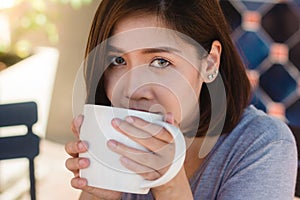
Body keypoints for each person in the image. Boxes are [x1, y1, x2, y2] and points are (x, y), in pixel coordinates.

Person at [65, 0, 298, 199]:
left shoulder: (263, 144)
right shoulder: (113, 145)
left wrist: (169, 185)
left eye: (161, 61)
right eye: (117, 60)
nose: (133, 89)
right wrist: (98, 193)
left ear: (210, 62)